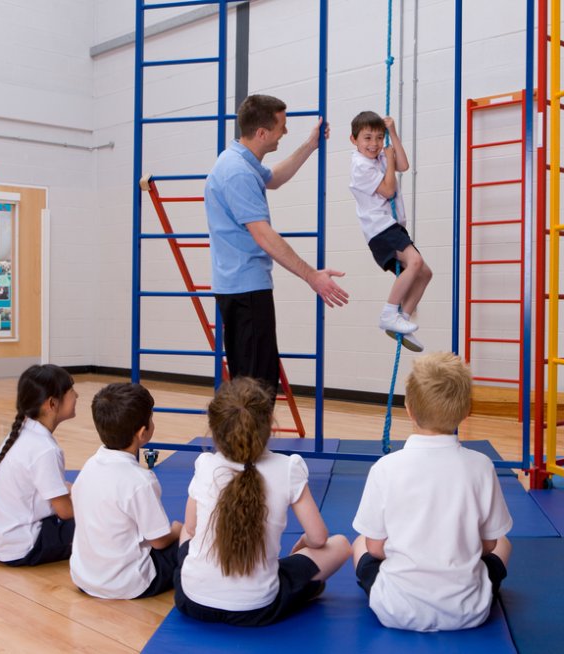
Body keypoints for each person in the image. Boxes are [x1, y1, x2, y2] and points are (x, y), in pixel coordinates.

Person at [351, 352, 513, 632]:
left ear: (409, 408)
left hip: (395, 609)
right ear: (467, 410)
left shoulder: (385, 468)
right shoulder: (481, 466)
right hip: (468, 611)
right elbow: (489, 546)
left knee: (359, 542)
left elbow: (375, 549)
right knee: (505, 544)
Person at [173, 377, 351, 625]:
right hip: (257, 608)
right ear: (270, 424)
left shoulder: (205, 464)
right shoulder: (288, 468)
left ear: (214, 428)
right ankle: (300, 590)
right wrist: (306, 541)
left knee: (185, 532)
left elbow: (191, 529)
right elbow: (320, 538)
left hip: (191, 601)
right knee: (341, 544)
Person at [206, 94, 349, 396]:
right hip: (245, 289)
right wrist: (312, 276)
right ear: (261, 133)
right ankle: (249, 444)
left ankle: (249, 443)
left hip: (241, 286)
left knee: (254, 375)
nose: (284, 132)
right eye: (281, 127)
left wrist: (310, 145)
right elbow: (264, 235)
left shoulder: (240, 160)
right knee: (257, 383)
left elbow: (274, 178)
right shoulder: (237, 172)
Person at [69, 383, 182, 599]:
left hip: (84, 577)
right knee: (187, 543)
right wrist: (177, 531)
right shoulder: (140, 480)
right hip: (129, 584)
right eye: (151, 418)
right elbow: (159, 541)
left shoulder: (89, 466)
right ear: (142, 432)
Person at [0, 364, 77, 566]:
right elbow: (66, 511)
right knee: (103, 520)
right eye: (71, 391)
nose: (77, 395)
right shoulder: (45, 449)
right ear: (52, 403)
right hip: (24, 548)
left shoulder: (20, 434)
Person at [349, 111, 432, 352]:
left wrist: (393, 135)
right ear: (353, 140)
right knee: (415, 262)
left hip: (392, 225)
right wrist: (389, 160)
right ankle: (388, 313)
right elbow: (388, 190)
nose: (373, 144)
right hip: (379, 228)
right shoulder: (360, 166)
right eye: (367, 138)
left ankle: (401, 320)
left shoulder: (379, 157)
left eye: (378, 137)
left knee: (425, 273)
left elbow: (404, 165)